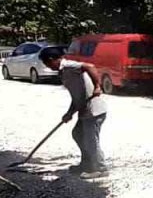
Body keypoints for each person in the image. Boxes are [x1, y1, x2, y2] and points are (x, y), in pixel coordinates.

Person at [38, 47, 108, 178]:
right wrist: (69, 113)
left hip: (94, 110)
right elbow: (76, 96)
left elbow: (90, 66)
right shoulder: (63, 72)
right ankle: (87, 164)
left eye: (47, 63)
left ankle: (100, 168)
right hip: (84, 110)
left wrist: (97, 86)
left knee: (90, 140)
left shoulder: (68, 66)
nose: (47, 66)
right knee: (78, 134)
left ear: (52, 60)